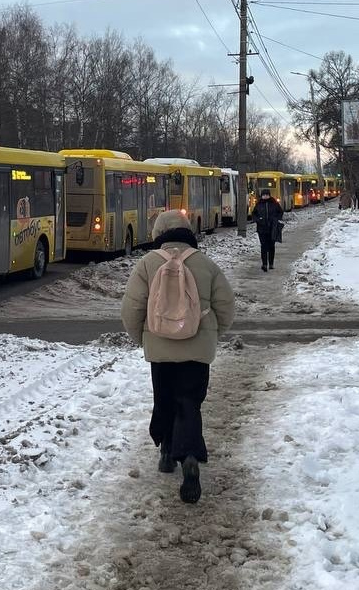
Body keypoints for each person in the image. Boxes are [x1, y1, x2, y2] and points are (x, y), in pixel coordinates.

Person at [121, 209, 235, 504]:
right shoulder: (204, 263)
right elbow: (226, 305)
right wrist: (213, 333)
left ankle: (167, 453)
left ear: (159, 233)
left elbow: (131, 308)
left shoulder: (147, 264)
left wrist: (142, 338)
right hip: (197, 348)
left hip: (159, 346)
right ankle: (190, 458)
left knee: (165, 399)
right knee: (189, 402)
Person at [253, 188, 283, 272]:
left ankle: (271, 263)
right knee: (263, 246)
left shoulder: (274, 203)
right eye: (264, 195)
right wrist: (258, 219)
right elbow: (254, 214)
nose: (265, 196)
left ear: (269, 195)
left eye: (267, 195)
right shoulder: (258, 204)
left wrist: (276, 219)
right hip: (261, 229)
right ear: (261, 196)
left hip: (272, 229)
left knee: (271, 246)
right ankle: (264, 264)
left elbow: (280, 212)